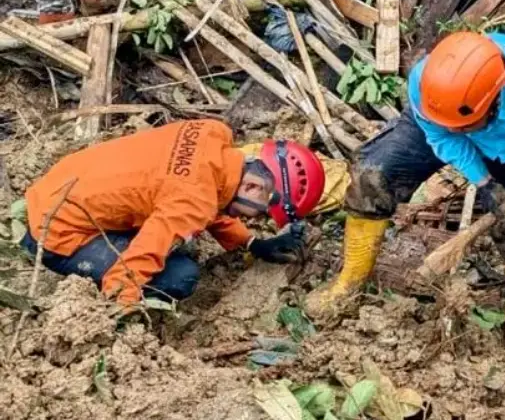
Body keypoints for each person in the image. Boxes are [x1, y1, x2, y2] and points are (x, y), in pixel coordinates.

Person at [306, 32, 505, 348]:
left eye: (465, 123)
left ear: (495, 100)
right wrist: (483, 180)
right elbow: (444, 136)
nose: (455, 130)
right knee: (372, 178)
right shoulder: (427, 86)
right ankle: (350, 281)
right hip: (440, 120)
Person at [22, 120, 325, 306]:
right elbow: (137, 262)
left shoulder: (211, 134)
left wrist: (249, 241)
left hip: (55, 189)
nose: (254, 219)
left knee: (181, 233)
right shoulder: (192, 201)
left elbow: (207, 193)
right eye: (262, 213)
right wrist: (116, 313)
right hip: (56, 233)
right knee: (181, 276)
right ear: (255, 185)